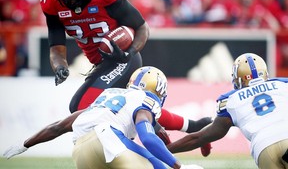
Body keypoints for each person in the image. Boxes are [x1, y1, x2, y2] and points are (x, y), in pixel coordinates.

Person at [39, 0, 212, 148]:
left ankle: (123, 148)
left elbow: (142, 28)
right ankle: (191, 126)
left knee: (80, 108)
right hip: (101, 64)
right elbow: (56, 48)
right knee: (130, 105)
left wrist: (127, 53)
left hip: (122, 59)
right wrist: (60, 66)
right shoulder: (52, 3)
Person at [3, 66, 204, 169]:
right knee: (157, 165)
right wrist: (178, 166)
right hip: (108, 141)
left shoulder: (108, 97)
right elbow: (148, 138)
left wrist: (25, 144)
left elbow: (58, 126)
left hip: (81, 153)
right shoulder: (146, 99)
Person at [167, 53, 288, 169]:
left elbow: (200, 137)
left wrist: (165, 150)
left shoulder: (231, 100)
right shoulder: (283, 85)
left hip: (263, 147)